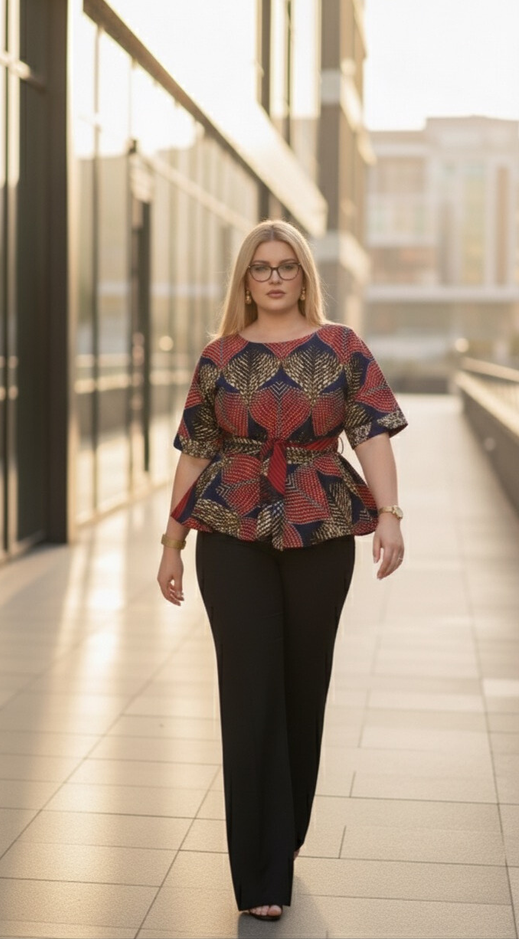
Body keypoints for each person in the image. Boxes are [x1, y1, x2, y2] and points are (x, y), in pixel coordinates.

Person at [157, 219, 407, 921]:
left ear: (302, 275)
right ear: (245, 279)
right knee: (248, 689)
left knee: (303, 684)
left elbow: (373, 432)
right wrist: (172, 541)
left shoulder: (341, 348)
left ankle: (284, 830)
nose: (272, 277)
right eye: (260, 267)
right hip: (230, 530)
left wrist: (389, 513)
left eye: (285, 266)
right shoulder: (218, 356)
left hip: (320, 524)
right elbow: (194, 452)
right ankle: (261, 873)